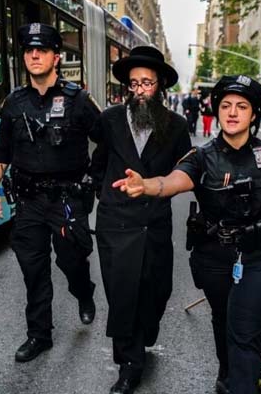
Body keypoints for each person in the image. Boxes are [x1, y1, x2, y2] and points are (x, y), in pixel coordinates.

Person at [111, 74, 261, 394]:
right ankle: (228, 375)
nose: (232, 112)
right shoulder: (202, 157)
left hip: (260, 258)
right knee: (223, 319)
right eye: (226, 105)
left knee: (244, 330)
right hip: (213, 257)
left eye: (241, 106)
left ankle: (241, 384)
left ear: (254, 114)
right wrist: (147, 185)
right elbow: (173, 181)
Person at [0, 23, 100, 363]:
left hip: (67, 199)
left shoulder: (78, 100)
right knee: (33, 270)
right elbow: (2, 150)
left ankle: (84, 292)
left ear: (56, 57)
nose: (34, 55)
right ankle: (39, 335)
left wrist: (95, 179)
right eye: (29, 50)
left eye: (42, 50)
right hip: (29, 200)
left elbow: (107, 141)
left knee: (72, 261)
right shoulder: (14, 102)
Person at [90, 46, 191, 394]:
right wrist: (100, 193)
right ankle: (129, 365)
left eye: (146, 83)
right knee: (123, 295)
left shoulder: (177, 127)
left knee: (157, 292)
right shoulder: (110, 120)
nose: (139, 90)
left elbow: (186, 172)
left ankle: (147, 330)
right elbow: (99, 162)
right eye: (134, 84)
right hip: (116, 224)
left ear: (159, 85)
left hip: (155, 223)